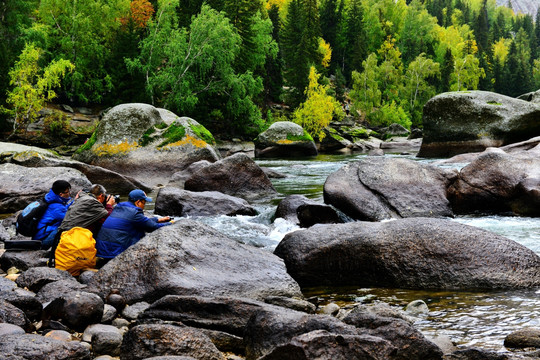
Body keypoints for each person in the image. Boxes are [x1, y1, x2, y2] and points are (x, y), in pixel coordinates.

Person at [95, 189, 172, 261]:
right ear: (138, 202)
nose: (144, 206)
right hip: (114, 254)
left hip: (101, 250)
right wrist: (171, 223)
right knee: (139, 232)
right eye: (144, 203)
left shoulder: (119, 207)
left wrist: (158, 219)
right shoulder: (135, 212)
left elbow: (142, 222)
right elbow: (152, 227)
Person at [33, 180, 73, 249]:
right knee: (68, 228)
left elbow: (63, 210)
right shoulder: (56, 207)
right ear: (61, 194)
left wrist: (74, 201)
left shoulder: (51, 199)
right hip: (42, 241)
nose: (69, 193)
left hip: (39, 236)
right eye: (68, 192)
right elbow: (69, 219)